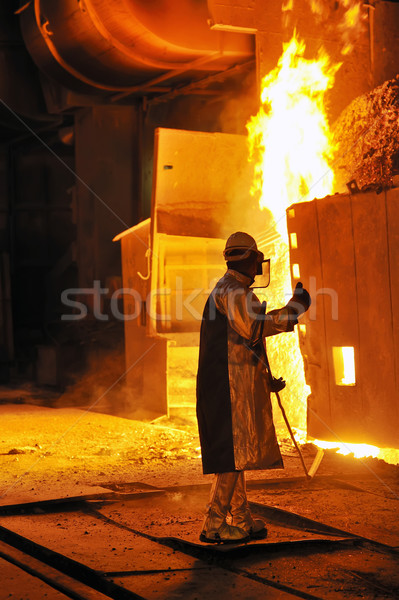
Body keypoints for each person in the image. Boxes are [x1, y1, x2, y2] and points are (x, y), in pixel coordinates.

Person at [196, 231, 311, 544]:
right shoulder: (233, 291)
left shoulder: (232, 289)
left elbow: (242, 342)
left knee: (238, 454)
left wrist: (263, 376)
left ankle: (242, 518)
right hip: (227, 386)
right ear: (249, 259)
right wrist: (294, 310)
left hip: (233, 382)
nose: (259, 266)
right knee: (232, 455)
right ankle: (215, 524)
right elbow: (254, 327)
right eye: (256, 259)